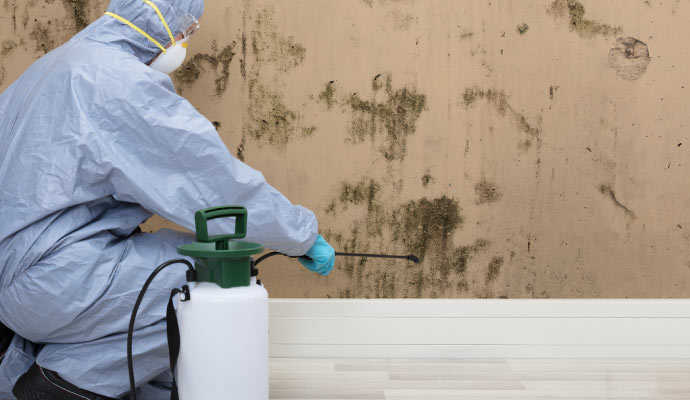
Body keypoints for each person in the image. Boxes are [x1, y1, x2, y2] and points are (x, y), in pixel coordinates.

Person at [0, 0, 336, 398]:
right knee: (200, 278)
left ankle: (40, 372)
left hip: (18, 282)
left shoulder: (56, 64)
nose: (184, 40)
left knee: (161, 258)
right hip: (54, 279)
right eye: (186, 29)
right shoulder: (117, 82)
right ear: (157, 18)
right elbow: (208, 184)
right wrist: (298, 234)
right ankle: (62, 384)